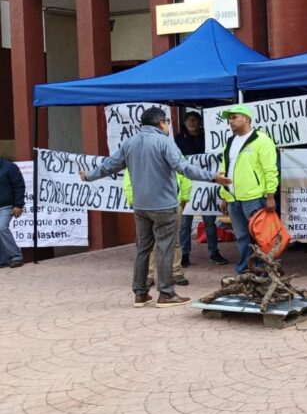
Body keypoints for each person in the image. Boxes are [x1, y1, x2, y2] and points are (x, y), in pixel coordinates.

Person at [79, 107, 230, 308]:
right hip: (164, 205)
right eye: (167, 122)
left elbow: (110, 165)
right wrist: (213, 177)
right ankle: (166, 294)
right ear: (161, 123)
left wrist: (89, 176)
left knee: (143, 248)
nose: (168, 126)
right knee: (165, 248)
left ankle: (140, 294)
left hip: (141, 206)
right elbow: (183, 168)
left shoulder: (129, 143)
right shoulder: (165, 142)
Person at [217, 105, 279, 274]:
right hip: (233, 198)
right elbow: (224, 168)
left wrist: (270, 195)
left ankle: (264, 270)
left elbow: (270, 170)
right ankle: (246, 270)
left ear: (246, 118)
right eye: (229, 118)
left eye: (234, 117)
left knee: (260, 236)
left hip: (254, 197)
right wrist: (224, 194)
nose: (231, 121)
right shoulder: (230, 141)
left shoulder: (262, 140)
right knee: (242, 237)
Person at [175, 111, 228, 266]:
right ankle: (184, 254)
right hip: (186, 184)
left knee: (209, 221)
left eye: (193, 120)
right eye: (188, 120)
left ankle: (213, 252)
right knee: (185, 222)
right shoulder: (178, 139)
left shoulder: (209, 138)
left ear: (200, 123)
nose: (190, 123)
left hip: (206, 185)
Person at [124, 168, 191, 286]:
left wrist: (183, 200)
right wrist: (132, 201)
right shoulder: (135, 155)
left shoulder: (172, 152)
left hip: (172, 204)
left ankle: (176, 272)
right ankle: (148, 275)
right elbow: (128, 180)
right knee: (147, 243)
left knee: (174, 240)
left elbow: (185, 175)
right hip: (145, 205)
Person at [0, 157, 26, 268]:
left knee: (1, 228)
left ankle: (16, 256)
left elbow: (19, 186)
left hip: (6, 206)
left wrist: (18, 205)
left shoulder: (9, 167)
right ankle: (3, 260)